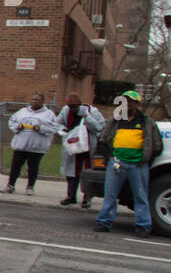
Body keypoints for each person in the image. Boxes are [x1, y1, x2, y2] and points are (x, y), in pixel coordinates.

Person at [95, 90, 163, 237]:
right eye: (125, 101)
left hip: (138, 166)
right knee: (110, 195)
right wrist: (110, 158)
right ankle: (104, 222)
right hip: (116, 164)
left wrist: (145, 160)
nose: (127, 104)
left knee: (140, 197)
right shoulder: (115, 121)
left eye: (131, 101)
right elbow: (102, 142)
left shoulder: (147, 122)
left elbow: (157, 146)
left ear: (137, 104)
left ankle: (143, 226)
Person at [56, 93, 105, 208]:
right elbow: (57, 123)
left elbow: (100, 127)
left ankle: (87, 198)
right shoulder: (65, 111)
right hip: (73, 147)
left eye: (74, 107)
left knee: (88, 171)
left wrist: (87, 117)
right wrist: (62, 130)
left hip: (89, 146)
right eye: (70, 107)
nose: (72, 110)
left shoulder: (92, 111)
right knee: (71, 173)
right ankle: (71, 196)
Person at [1, 93, 56, 195]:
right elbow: (12, 122)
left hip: (36, 147)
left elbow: (53, 128)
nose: (34, 101)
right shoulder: (22, 111)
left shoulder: (49, 114)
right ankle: (10, 186)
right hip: (21, 145)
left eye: (37, 100)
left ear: (42, 102)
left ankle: (30, 187)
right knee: (15, 167)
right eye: (32, 99)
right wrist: (18, 126)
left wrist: (40, 128)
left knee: (33, 167)